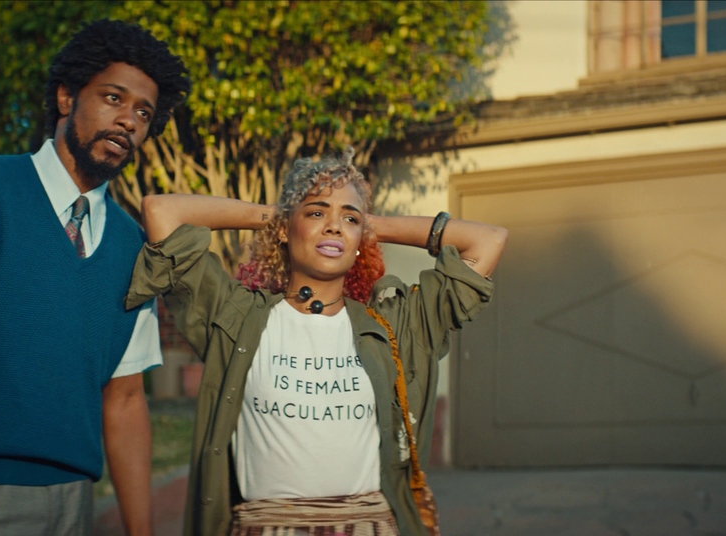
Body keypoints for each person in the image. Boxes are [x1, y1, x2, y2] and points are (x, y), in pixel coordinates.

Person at [0, 20, 190, 536]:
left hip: (75, 503)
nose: (128, 121)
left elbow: (124, 401)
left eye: (142, 112)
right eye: (113, 98)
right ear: (67, 96)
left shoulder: (132, 244)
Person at [128, 151, 508, 535]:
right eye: (316, 213)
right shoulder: (236, 317)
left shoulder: (394, 326)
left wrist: (369, 225)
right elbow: (161, 212)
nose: (333, 227)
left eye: (349, 218)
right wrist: (280, 215)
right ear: (284, 230)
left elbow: (488, 240)